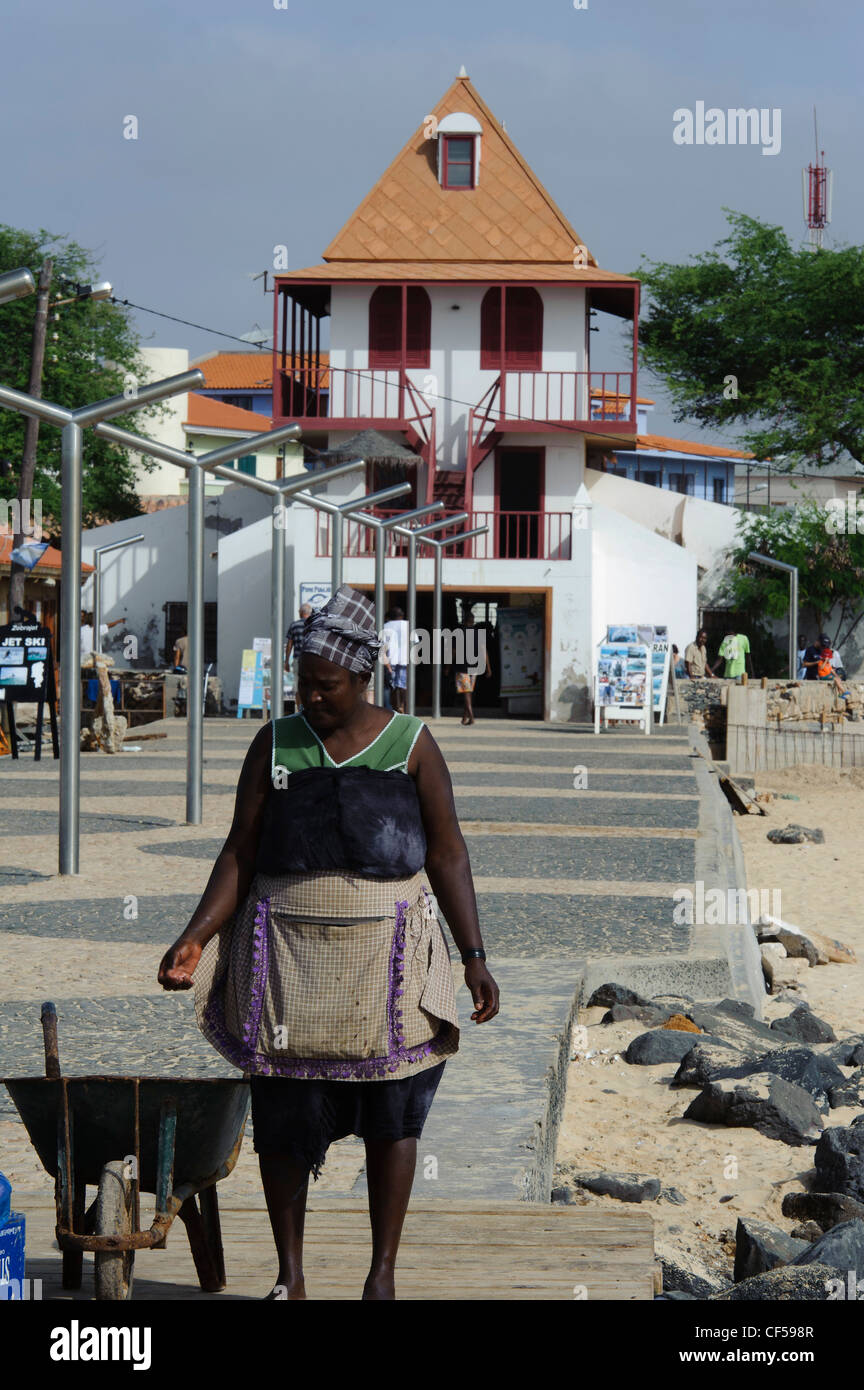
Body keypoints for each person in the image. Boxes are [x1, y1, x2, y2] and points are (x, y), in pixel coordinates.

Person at [157, 584, 499, 1301]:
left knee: (392, 1114)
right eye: (303, 682)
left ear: (363, 675)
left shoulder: (411, 744)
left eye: (327, 685)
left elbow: (448, 854)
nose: (311, 696)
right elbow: (240, 852)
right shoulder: (274, 743)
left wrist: (474, 958)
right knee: (282, 1114)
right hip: (285, 958)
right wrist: (195, 936)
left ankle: (381, 1275)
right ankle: (290, 1276)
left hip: (390, 962)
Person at [454, 610, 492, 725]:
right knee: (469, 692)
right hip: (475, 668)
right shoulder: (478, 634)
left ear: (464, 621)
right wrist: (488, 668)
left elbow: (453, 652)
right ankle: (464, 717)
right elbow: (484, 651)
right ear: (473, 621)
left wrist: (447, 667)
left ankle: (471, 716)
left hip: (462, 667)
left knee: (466, 692)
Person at [381, 605, 409, 714]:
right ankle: (403, 705)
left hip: (389, 660)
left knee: (389, 686)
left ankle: (392, 708)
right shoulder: (408, 625)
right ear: (402, 616)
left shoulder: (385, 626)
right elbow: (415, 642)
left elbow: (382, 646)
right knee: (403, 685)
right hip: (404, 660)